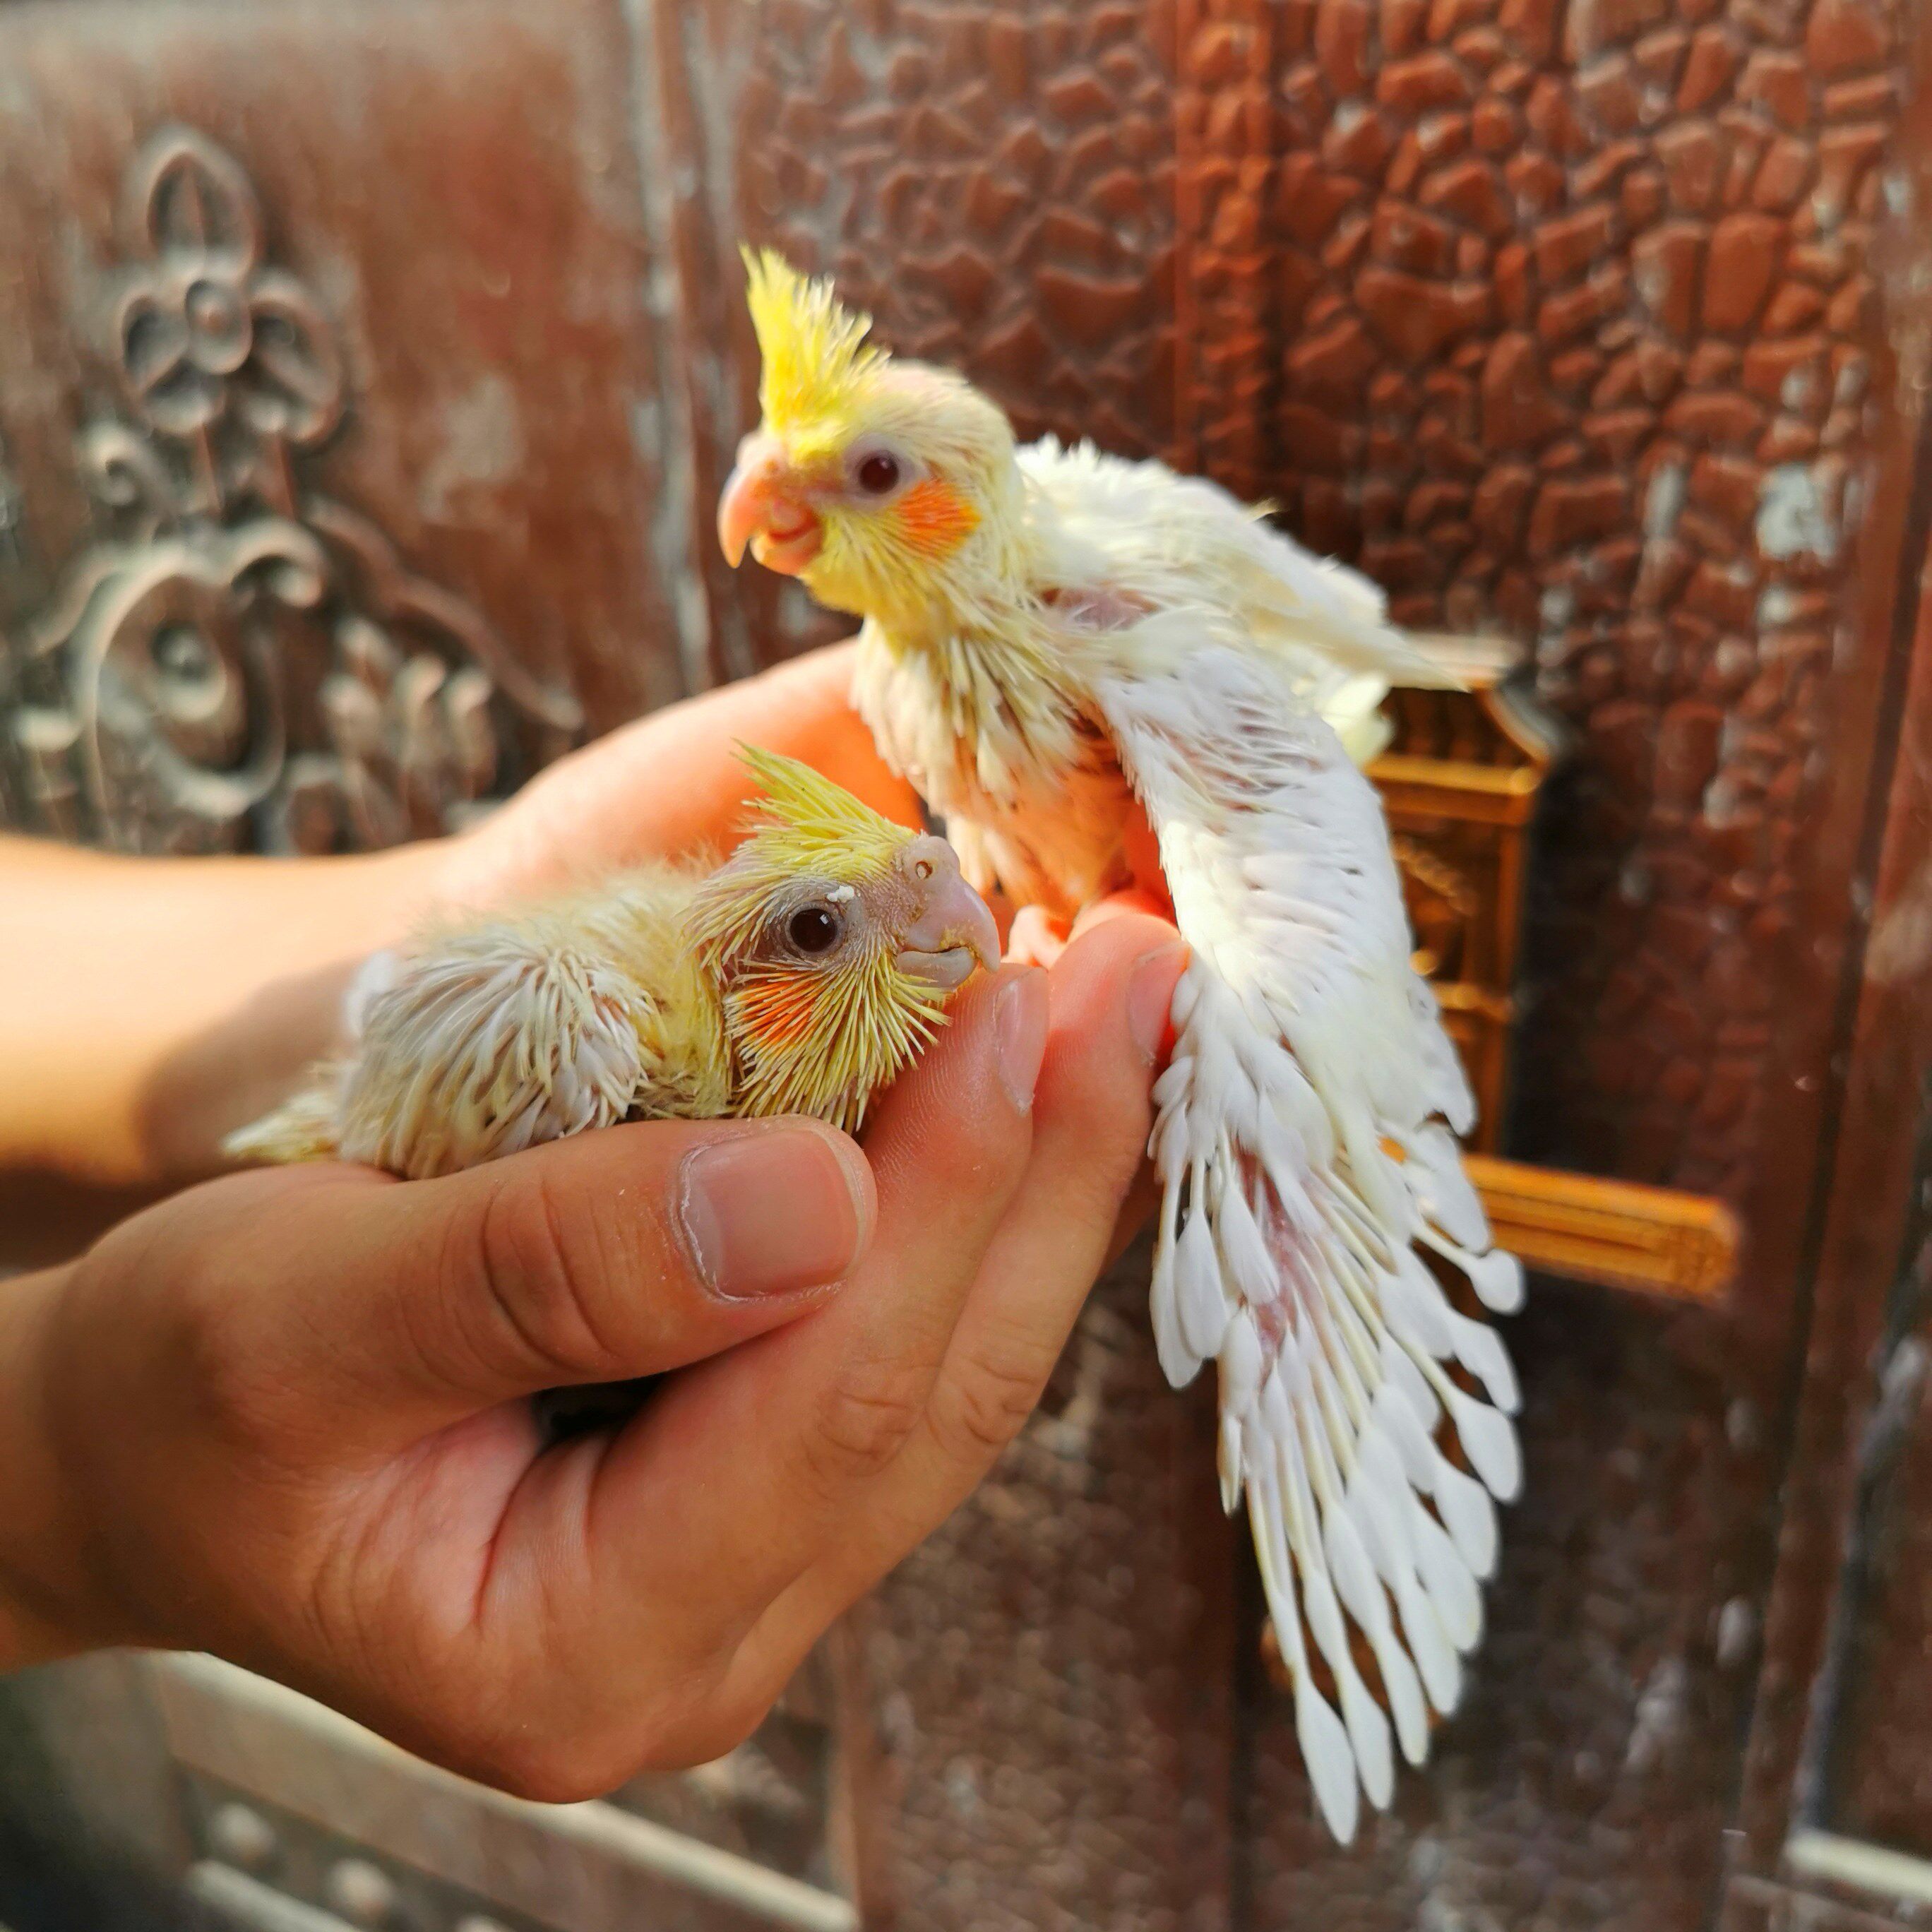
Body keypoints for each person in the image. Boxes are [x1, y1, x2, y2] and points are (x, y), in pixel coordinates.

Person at [0, 643, 1184, 1801]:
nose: (948, 928)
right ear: (739, 982)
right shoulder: (592, 1039)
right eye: (820, 934)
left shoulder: (786, 1052)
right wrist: (66, 1465)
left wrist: (374, 962)